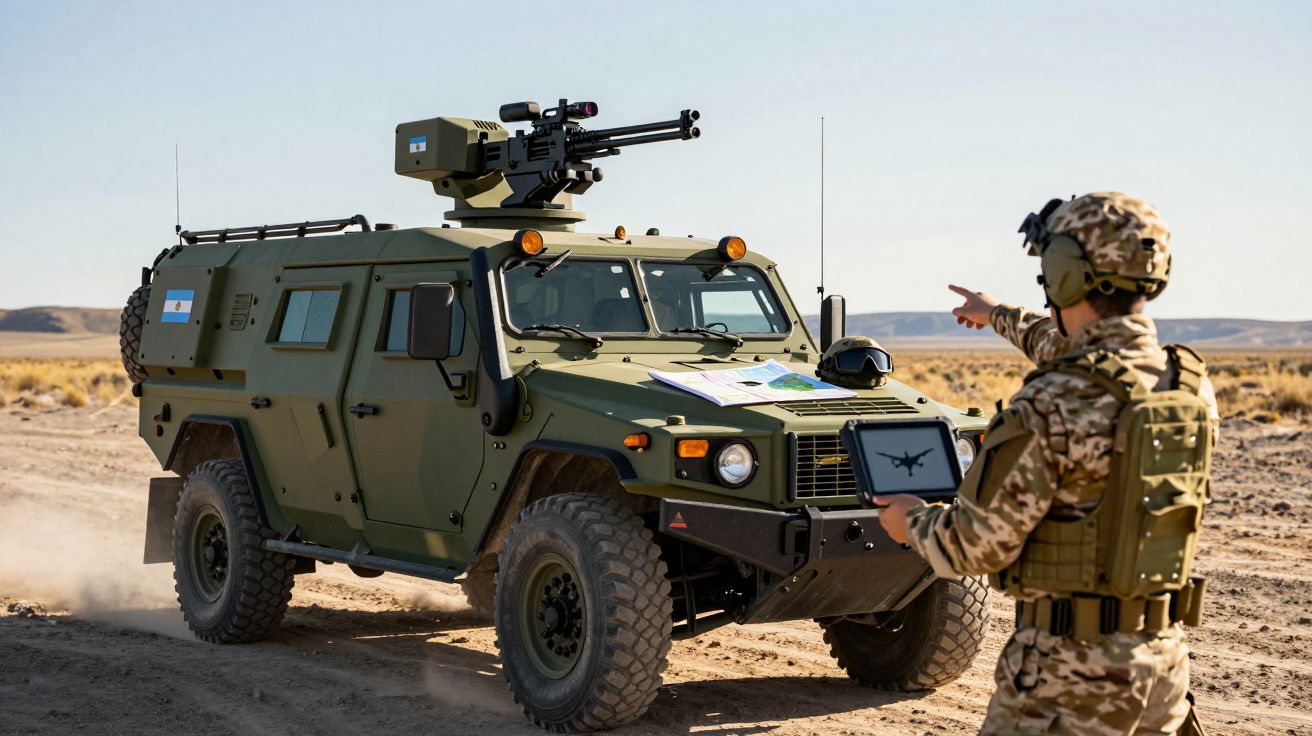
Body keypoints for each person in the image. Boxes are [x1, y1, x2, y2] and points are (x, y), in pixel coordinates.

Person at [877, 192, 1219, 735]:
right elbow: (1079, 354)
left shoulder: (1053, 402)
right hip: (1162, 667)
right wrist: (996, 315)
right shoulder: (1187, 385)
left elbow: (972, 545)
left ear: (1064, 275)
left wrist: (910, 521)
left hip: (1069, 677)